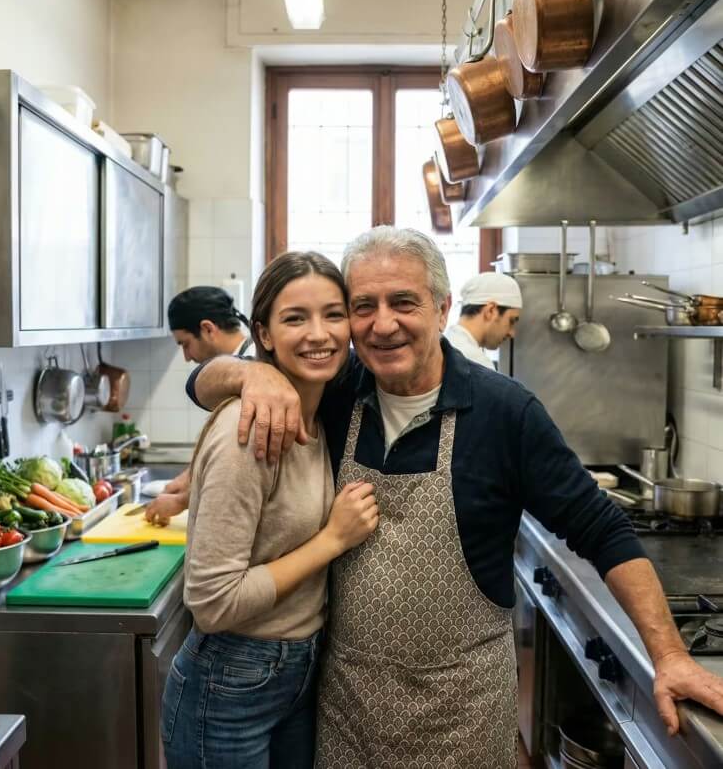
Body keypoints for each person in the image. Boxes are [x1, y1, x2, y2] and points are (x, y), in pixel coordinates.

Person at [185, 226, 723, 767]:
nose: (383, 324)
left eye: (404, 303)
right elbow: (200, 382)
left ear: (442, 309)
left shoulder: (504, 413)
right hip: (346, 710)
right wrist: (252, 375)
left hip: (462, 716)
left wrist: (670, 655)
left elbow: (603, 530)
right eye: (364, 306)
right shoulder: (338, 389)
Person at [161, 252, 379, 769]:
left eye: (333, 314)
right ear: (264, 334)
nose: (319, 334)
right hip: (230, 682)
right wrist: (333, 540)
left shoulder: (318, 411)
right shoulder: (249, 431)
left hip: (298, 671)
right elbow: (213, 602)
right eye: (295, 318)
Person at [144, 286, 255, 525]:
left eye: (185, 344)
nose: (187, 357)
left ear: (208, 329)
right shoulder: (236, 366)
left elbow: (243, 460)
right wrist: (190, 476)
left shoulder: (252, 367)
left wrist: (182, 500)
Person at [444, 271, 522, 369]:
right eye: (511, 321)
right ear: (491, 311)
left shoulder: (447, 341)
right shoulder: (476, 364)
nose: (512, 333)